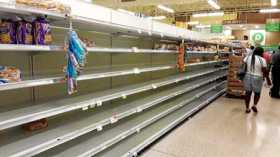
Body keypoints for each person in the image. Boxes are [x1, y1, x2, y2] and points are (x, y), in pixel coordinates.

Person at [243, 47, 271, 113]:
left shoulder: (248, 57)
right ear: (261, 53)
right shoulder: (262, 60)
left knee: (248, 93)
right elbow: (264, 71)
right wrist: (268, 80)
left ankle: (247, 108)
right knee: (257, 93)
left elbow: (243, 66)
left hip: (247, 76)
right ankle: (254, 105)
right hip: (258, 78)